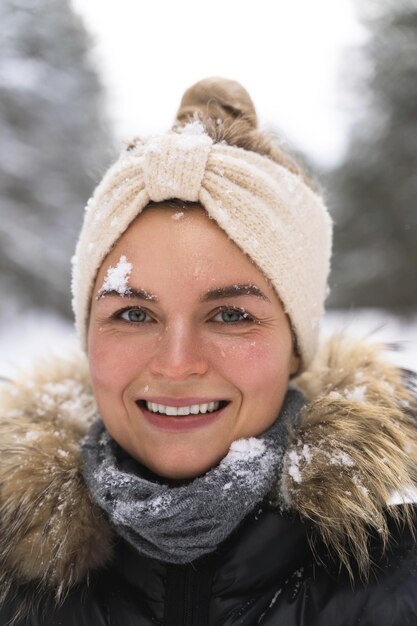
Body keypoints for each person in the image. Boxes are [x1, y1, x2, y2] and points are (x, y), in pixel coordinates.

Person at [0, 77, 416, 626]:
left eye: (231, 315)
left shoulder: (397, 566)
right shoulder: (12, 569)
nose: (176, 364)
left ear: (294, 347)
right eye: (132, 314)